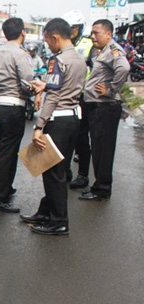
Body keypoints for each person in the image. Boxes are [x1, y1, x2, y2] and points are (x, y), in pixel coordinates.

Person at [23, 18, 87, 236]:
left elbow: (54, 96)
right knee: (58, 169)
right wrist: (47, 86)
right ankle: (47, 212)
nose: (48, 44)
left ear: (54, 36)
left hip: (57, 121)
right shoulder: (79, 58)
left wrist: (38, 125)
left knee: (53, 172)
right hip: (72, 120)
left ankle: (58, 222)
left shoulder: (57, 61)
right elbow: (67, 87)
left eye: (48, 40)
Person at [0, 18, 34, 213]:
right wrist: (33, 92)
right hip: (14, 106)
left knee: (6, 148)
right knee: (8, 151)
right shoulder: (21, 54)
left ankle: (6, 188)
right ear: (22, 33)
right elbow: (27, 82)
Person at [79, 19, 129, 201]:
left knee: (104, 150)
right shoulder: (103, 51)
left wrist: (111, 90)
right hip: (97, 108)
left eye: (96, 33)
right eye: (91, 33)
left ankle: (102, 189)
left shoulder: (113, 50)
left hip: (105, 108)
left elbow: (124, 68)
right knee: (98, 149)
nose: (93, 37)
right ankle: (99, 185)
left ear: (108, 34)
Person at [63, 9, 95, 189]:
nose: (71, 31)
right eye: (69, 28)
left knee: (81, 138)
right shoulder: (65, 44)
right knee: (66, 137)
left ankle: (83, 175)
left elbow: (96, 71)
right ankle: (65, 171)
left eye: (74, 28)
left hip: (84, 96)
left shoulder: (89, 44)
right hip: (67, 96)